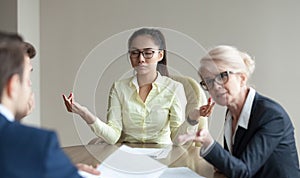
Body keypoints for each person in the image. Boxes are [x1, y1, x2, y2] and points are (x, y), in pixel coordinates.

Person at [0, 31, 116, 178]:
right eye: (27, 77)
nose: (30, 84)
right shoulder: (36, 146)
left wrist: (57, 172)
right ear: (12, 85)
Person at [180, 45, 300, 178]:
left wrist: (208, 142)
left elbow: (241, 173)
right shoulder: (231, 112)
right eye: (208, 81)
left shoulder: (272, 116)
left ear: (242, 78)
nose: (215, 86)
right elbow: (233, 164)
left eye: (223, 76)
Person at [63, 28, 201, 145]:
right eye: (135, 53)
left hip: (162, 157)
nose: (141, 59)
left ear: (160, 55)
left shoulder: (174, 88)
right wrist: (84, 113)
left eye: (148, 53)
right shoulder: (119, 88)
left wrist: (193, 118)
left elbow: (177, 140)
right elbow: (113, 137)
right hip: (127, 157)